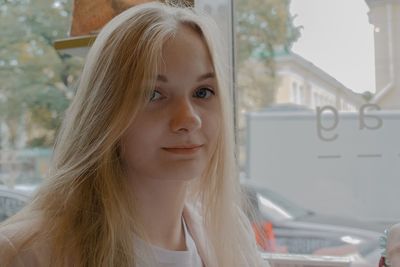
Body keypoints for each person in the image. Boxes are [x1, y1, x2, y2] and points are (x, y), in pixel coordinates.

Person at [0, 2, 269, 267]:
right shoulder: (24, 253)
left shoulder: (230, 235)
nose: (189, 119)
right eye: (154, 94)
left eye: (203, 92)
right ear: (103, 112)